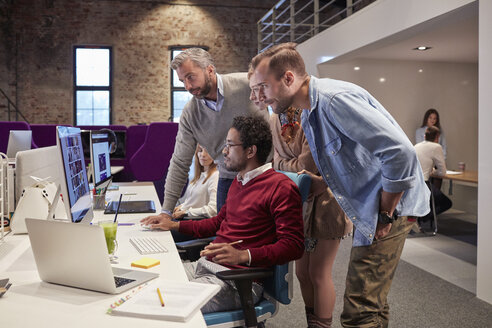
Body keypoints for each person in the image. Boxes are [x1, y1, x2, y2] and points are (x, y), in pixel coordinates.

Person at [248, 42, 430, 328]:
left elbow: (400, 153)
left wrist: (385, 213)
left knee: (359, 311)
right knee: (373, 304)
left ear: (288, 78)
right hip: (371, 206)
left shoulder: (334, 100)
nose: (259, 96)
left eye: (263, 87)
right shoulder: (308, 111)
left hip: (393, 207)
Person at [141, 115, 304, 313]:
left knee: (160, 305)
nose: (223, 151)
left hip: (238, 283)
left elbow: (294, 246)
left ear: (251, 150)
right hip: (206, 267)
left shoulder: (280, 187)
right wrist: (173, 224)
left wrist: (243, 255)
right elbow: (218, 223)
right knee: (145, 284)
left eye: (229, 145)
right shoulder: (239, 181)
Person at [249, 68, 352, 328]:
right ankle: (312, 322)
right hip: (297, 202)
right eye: (255, 90)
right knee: (302, 274)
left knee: (319, 274)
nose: (259, 96)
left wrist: (284, 164)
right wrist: (288, 165)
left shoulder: (308, 116)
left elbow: (311, 164)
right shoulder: (274, 120)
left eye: (261, 89)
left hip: (325, 202)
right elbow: (275, 164)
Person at [161, 48, 268, 225]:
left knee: (261, 237)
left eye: (190, 77)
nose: (187, 86)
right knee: (224, 235)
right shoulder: (190, 113)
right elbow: (180, 161)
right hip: (227, 179)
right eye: (182, 81)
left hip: (263, 176)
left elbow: (280, 101)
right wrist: (166, 211)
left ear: (209, 70)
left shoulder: (246, 84)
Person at [414, 126, 452, 229]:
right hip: (423, 185)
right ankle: (422, 218)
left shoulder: (416, 146)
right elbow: (443, 172)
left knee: (432, 199)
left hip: (413, 185)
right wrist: (435, 172)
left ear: (425, 136)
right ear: (437, 137)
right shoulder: (436, 147)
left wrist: (432, 171)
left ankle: (418, 218)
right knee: (446, 203)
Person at [173, 144, 218, 219]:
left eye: (208, 151)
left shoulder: (215, 176)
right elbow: (195, 202)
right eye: (200, 150)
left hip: (198, 223)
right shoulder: (200, 174)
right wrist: (182, 206)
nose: (203, 154)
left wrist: (186, 212)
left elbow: (213, 209)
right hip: (188, 218)